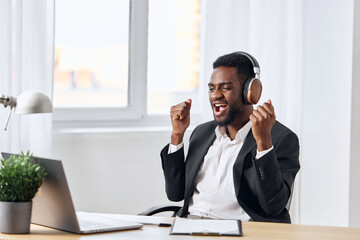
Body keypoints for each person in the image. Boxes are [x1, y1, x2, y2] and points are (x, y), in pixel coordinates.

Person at [160, 51, 300, 223]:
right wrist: (177, 135)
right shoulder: (202, 133)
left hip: (241, 231)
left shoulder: (281, 138)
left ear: (250, 92)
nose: (215, 95)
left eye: (225, 88)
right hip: (190, 226)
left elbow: (273, 206)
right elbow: (175, 194)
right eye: (212, 88)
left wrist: (263, 143)